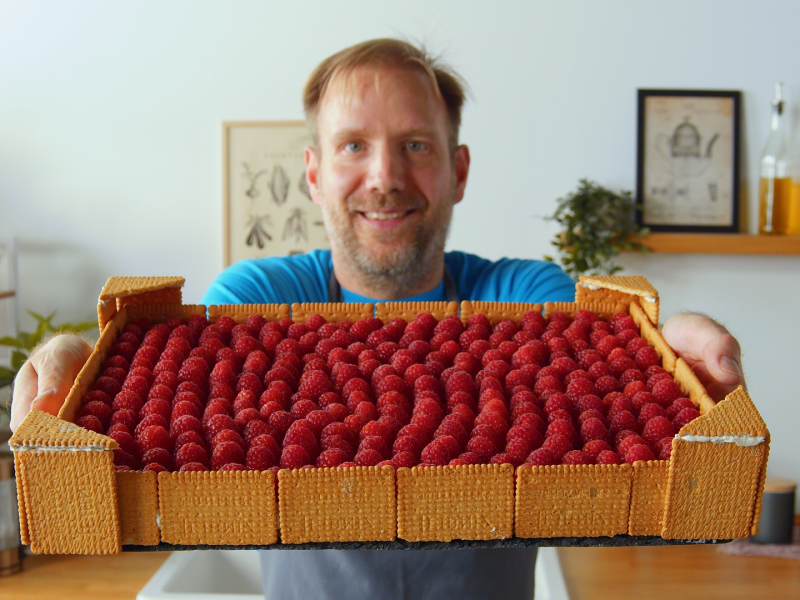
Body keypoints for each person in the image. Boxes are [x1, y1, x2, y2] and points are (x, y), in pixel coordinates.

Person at [10, 38, 745, 600]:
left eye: (415, 146)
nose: (386, 177)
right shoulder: (252, 301)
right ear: (314, 172)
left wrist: (666, 351)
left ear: (459, 169)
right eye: (354, 146)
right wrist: (81, 356)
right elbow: (161, 389)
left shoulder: (525, 300)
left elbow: (608, 345)